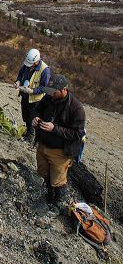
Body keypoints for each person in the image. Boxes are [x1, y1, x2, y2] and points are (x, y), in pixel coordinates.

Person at [32, 74, 86, 206]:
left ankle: (59, 203)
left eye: (54, 92)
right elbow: (37, 110)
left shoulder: (76, 108)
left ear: (63, 90)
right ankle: (49, 195)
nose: (51, 94)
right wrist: (36, 118)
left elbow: (78, 134)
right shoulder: (48, 98)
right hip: (43, 144)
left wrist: (54, 129)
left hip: (60, 151)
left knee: (58, 180)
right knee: (43, 171)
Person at [15, 48, 50, 140]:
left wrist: (33, 91)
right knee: (25, 115)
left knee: (32, 118)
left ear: (36, 61)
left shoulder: (45, 70)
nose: (29, 66)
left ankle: (31, 137)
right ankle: (27, 131)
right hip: (25, 95)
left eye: (31, 64)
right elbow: (21, 73)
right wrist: (18, 81)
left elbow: (45, 88)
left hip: (35, 100)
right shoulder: (27, 64)